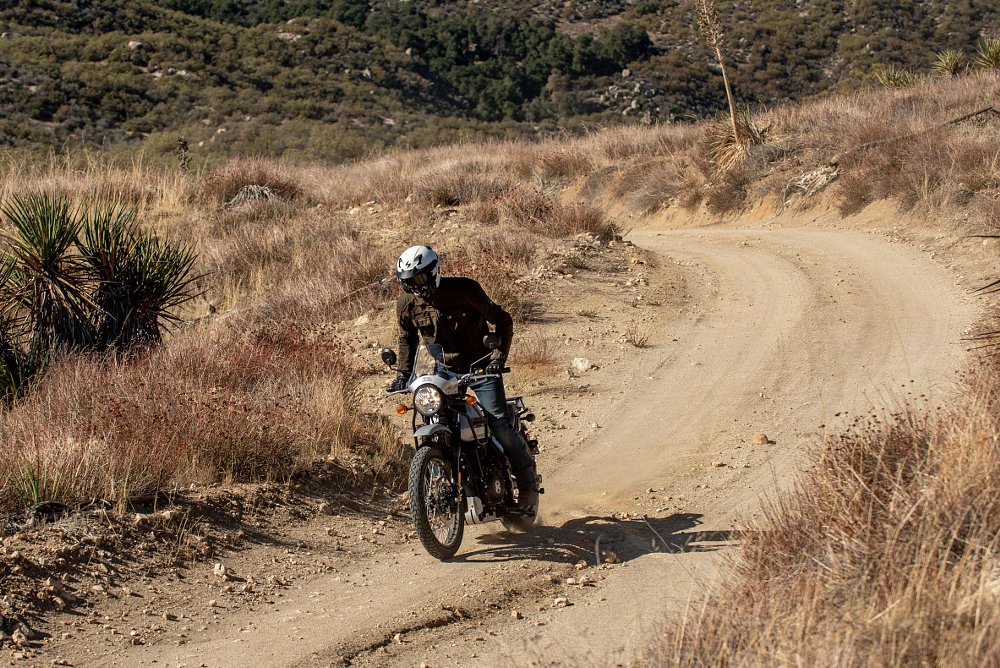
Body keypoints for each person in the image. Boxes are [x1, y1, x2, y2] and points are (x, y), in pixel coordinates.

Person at [388, 244, 539, 513]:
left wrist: (497, 359)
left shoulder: (466, 290)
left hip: (481, 367)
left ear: (434, 272)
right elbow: (407, 339)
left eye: (419, 279)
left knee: (500, 423)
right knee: (434, 417)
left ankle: (527, 486)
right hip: (443, 370)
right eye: (408, 282)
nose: (415, 287)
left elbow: (502, 320)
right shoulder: (407, 304)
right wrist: (402, 374)